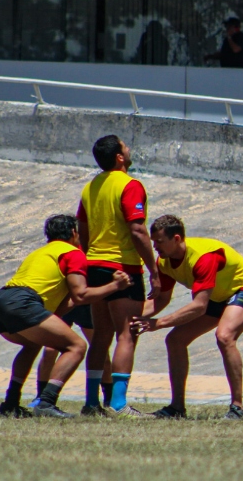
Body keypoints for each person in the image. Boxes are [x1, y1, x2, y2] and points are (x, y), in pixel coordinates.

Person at [0, 214, 131, 418]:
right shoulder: (73, 252)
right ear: (74, 233)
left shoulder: (41, 252)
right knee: (77, 346)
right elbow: (81, 294)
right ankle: (46, 402)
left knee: (32, 344)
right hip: (24, 302)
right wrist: (116, 286)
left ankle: (10, 403)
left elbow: (64, 303)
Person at [134, 215, 243, 420]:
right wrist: (130, 318)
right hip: (215, 296)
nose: (155, 247)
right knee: (175, 340)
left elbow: (199, 307)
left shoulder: (203, 258)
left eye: (160, 241)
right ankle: (177, 408)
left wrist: (158, 323)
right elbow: (160, 301)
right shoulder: (164, 261)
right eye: (153, 242)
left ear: (176, 239)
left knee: (225, 336)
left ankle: (237, 407)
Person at [78, 134, 158, 417]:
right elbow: (137, 230)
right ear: (120, 158)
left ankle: (90, 403)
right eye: (126, 146)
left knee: (101, 335)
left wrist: (88, 259)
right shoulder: (130, 185)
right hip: (123, 266)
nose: (129, 148)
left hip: (94, 264)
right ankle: (119, 404)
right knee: (127, 335)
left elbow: (82, 228)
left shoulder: (91, 187)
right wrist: (154, 269)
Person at [30, 304, 112, 409]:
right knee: (50, 350)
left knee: (101, 351)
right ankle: (41, 396)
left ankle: (109, 397)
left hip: (87, 304)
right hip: (66, 302)